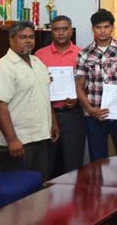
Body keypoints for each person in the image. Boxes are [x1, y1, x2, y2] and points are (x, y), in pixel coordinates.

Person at [0, 21, 58, 179]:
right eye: (22, 37)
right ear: (11, 39)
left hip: (41, 136)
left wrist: (53, 122)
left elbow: (44, 95)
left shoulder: (38, 63)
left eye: (31, 37)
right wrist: (12, 140)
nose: (28, 41)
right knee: (19, 192)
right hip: (19, 141)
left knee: (40, 185)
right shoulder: (2, 68)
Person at [75, 9, 117, 161]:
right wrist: (90, 110)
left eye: (106, 26)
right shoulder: (84, 54)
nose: (103, 31)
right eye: (98, 27)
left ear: (112, 27)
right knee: (97, 161)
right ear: (93, 29)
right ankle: (100, 186)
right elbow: (79, 87)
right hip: (95, 116)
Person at [34, 15, 84, 174]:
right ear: (51, 32)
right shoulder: (39, 55)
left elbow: (88, 83)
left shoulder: (81, 54)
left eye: (64, 29)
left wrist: (78, 99)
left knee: (73, 162)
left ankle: (74, 197)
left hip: (73, 114)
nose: (61, 33)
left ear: (71, 31)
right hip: (47, 114)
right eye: (56, 29)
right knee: (46, 163)